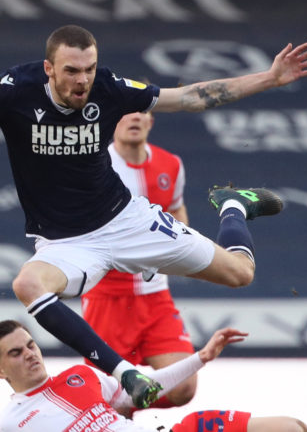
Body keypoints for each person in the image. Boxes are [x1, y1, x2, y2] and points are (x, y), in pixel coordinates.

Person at [0, 25, 307, 408]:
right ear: (48, 68)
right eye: (71, 71)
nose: (82, 81)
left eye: (89, 69)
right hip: (67, 244)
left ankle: (234, 205)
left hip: (127, 222)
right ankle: (126, 373)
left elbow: (189, 97)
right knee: (27, 283)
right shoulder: (14, 90)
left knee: (240, 274)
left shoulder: (109, 88)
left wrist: (268, 79)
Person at [0, 319, 307, 432]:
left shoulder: (81, 375)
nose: (30, 354)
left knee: (290, 428)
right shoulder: (9, 422)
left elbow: (144, 391)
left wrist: (201, 358)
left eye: (30, 344)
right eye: (15, 353)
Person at [81, 110, 197, 409]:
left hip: (154, 294)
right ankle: (117, 414)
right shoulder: (94, 164)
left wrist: (184, 245)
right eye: (123, 112)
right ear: (111, 121)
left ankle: (124, 407)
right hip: (107, 297)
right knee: (103, 397)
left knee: (183, 387)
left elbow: (176, 211)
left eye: (141, 112)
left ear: (150, 121)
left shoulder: (171, 163)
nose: (133, 118)